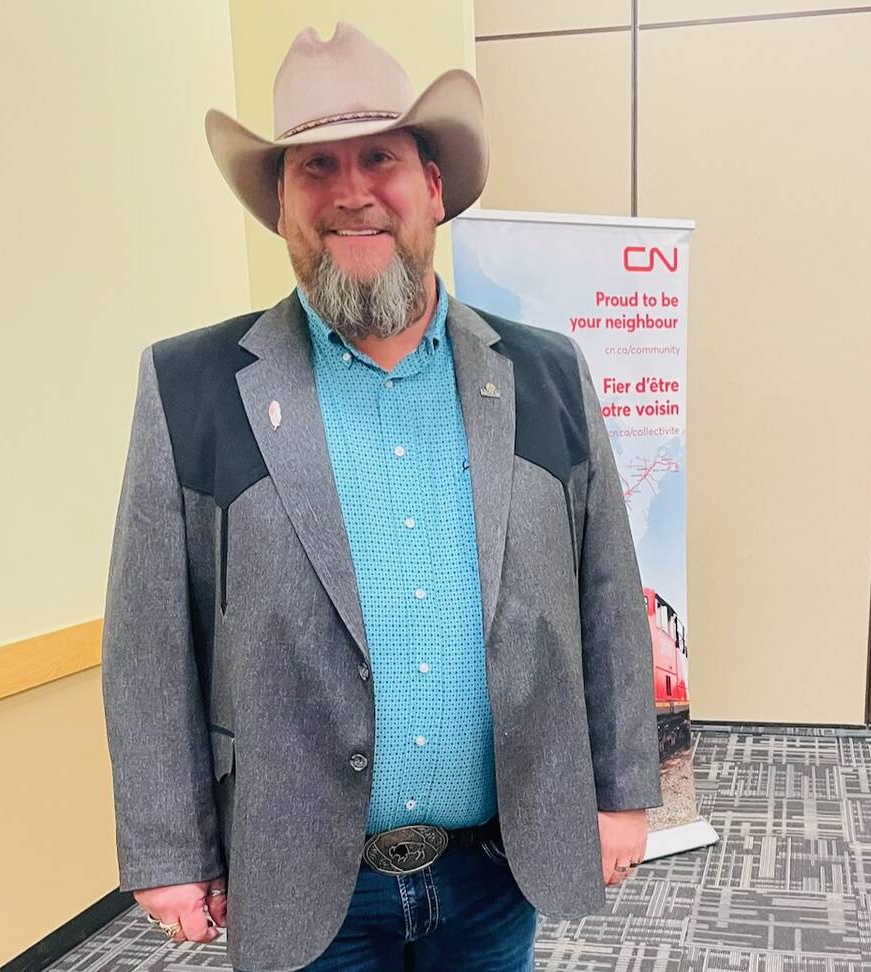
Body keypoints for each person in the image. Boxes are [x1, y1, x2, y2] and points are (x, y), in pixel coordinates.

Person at [100, 21, 661, 972]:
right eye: (315, 166)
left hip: (492, 871)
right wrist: (168, 849)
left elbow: (606, 592)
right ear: (280, 202)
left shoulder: (545, 374)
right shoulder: (191, 387)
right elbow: (151, 637)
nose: (352, 191)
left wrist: (620, 789)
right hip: (295, 871)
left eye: (382, 159)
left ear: (433, 188)